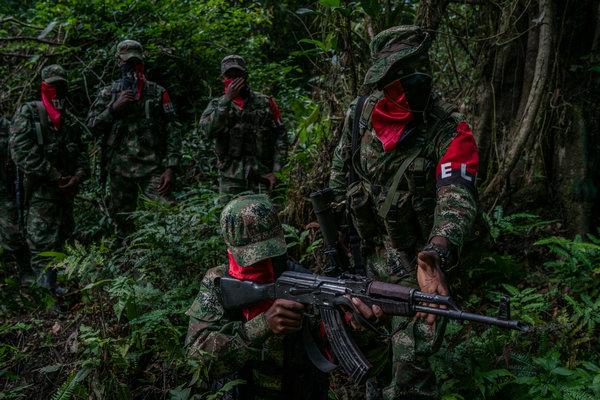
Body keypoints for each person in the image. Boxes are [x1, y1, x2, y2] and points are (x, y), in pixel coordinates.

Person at [329, 26, 479, 399]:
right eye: (403, 72)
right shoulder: (360, 115)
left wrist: (436, 251)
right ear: (385, 80)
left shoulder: (449, 129)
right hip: (366, 254)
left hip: (420, 263)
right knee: (353, 340)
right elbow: (340, 178)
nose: (416, 79)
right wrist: (338, 238)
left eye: (421, 67)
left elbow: (456, 198)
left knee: (413, 354)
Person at [185, 194, 330, 399]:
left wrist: (353, 324)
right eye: (252, 256)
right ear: (230, 247)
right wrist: (261, 325)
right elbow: (196, 360)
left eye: (270, 253)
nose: (262, 261)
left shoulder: (300, 280)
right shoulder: (217, 283)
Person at [86, 39, 181, 241]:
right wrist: (114, 108)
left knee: (165, 214)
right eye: (128, 62)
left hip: (153, 167)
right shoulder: (109, 93)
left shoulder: (157, 92)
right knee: (122, 223)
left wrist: (171, 167)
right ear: (119, 62)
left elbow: (173, 129)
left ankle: (162, 254)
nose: (133, 67)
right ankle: (127, 256)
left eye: (137, 62)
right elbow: (92, 127)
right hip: (119, 170)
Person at [10, 65, 89, 291]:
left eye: (61, 86)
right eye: (53, 86)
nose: (57, 91)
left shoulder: (68, 120)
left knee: (63, 243)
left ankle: (57, 290)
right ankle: (46, 298)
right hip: (39, 196)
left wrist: (77, 176)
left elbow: (82, 154)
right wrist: (54, 175)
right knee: (41, 246)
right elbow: (20, 151)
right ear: (44, 86)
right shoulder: (29, 113)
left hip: (65, 197)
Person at [199, 55, 287, 196]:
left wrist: (277, 171)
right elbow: (208, 131)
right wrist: (227, 100)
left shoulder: (266, 103)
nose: (234, 80)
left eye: (238, 75)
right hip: (230, 180)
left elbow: (281, 137)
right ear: (223, 79)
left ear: (245, 76)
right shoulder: (216, 105)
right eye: (230, 76)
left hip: (263, 178)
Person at [0, 116, 30, 281]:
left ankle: (25, 271)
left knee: (13, 233)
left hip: (5, 191)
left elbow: (19, 155)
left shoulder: (6, 126)